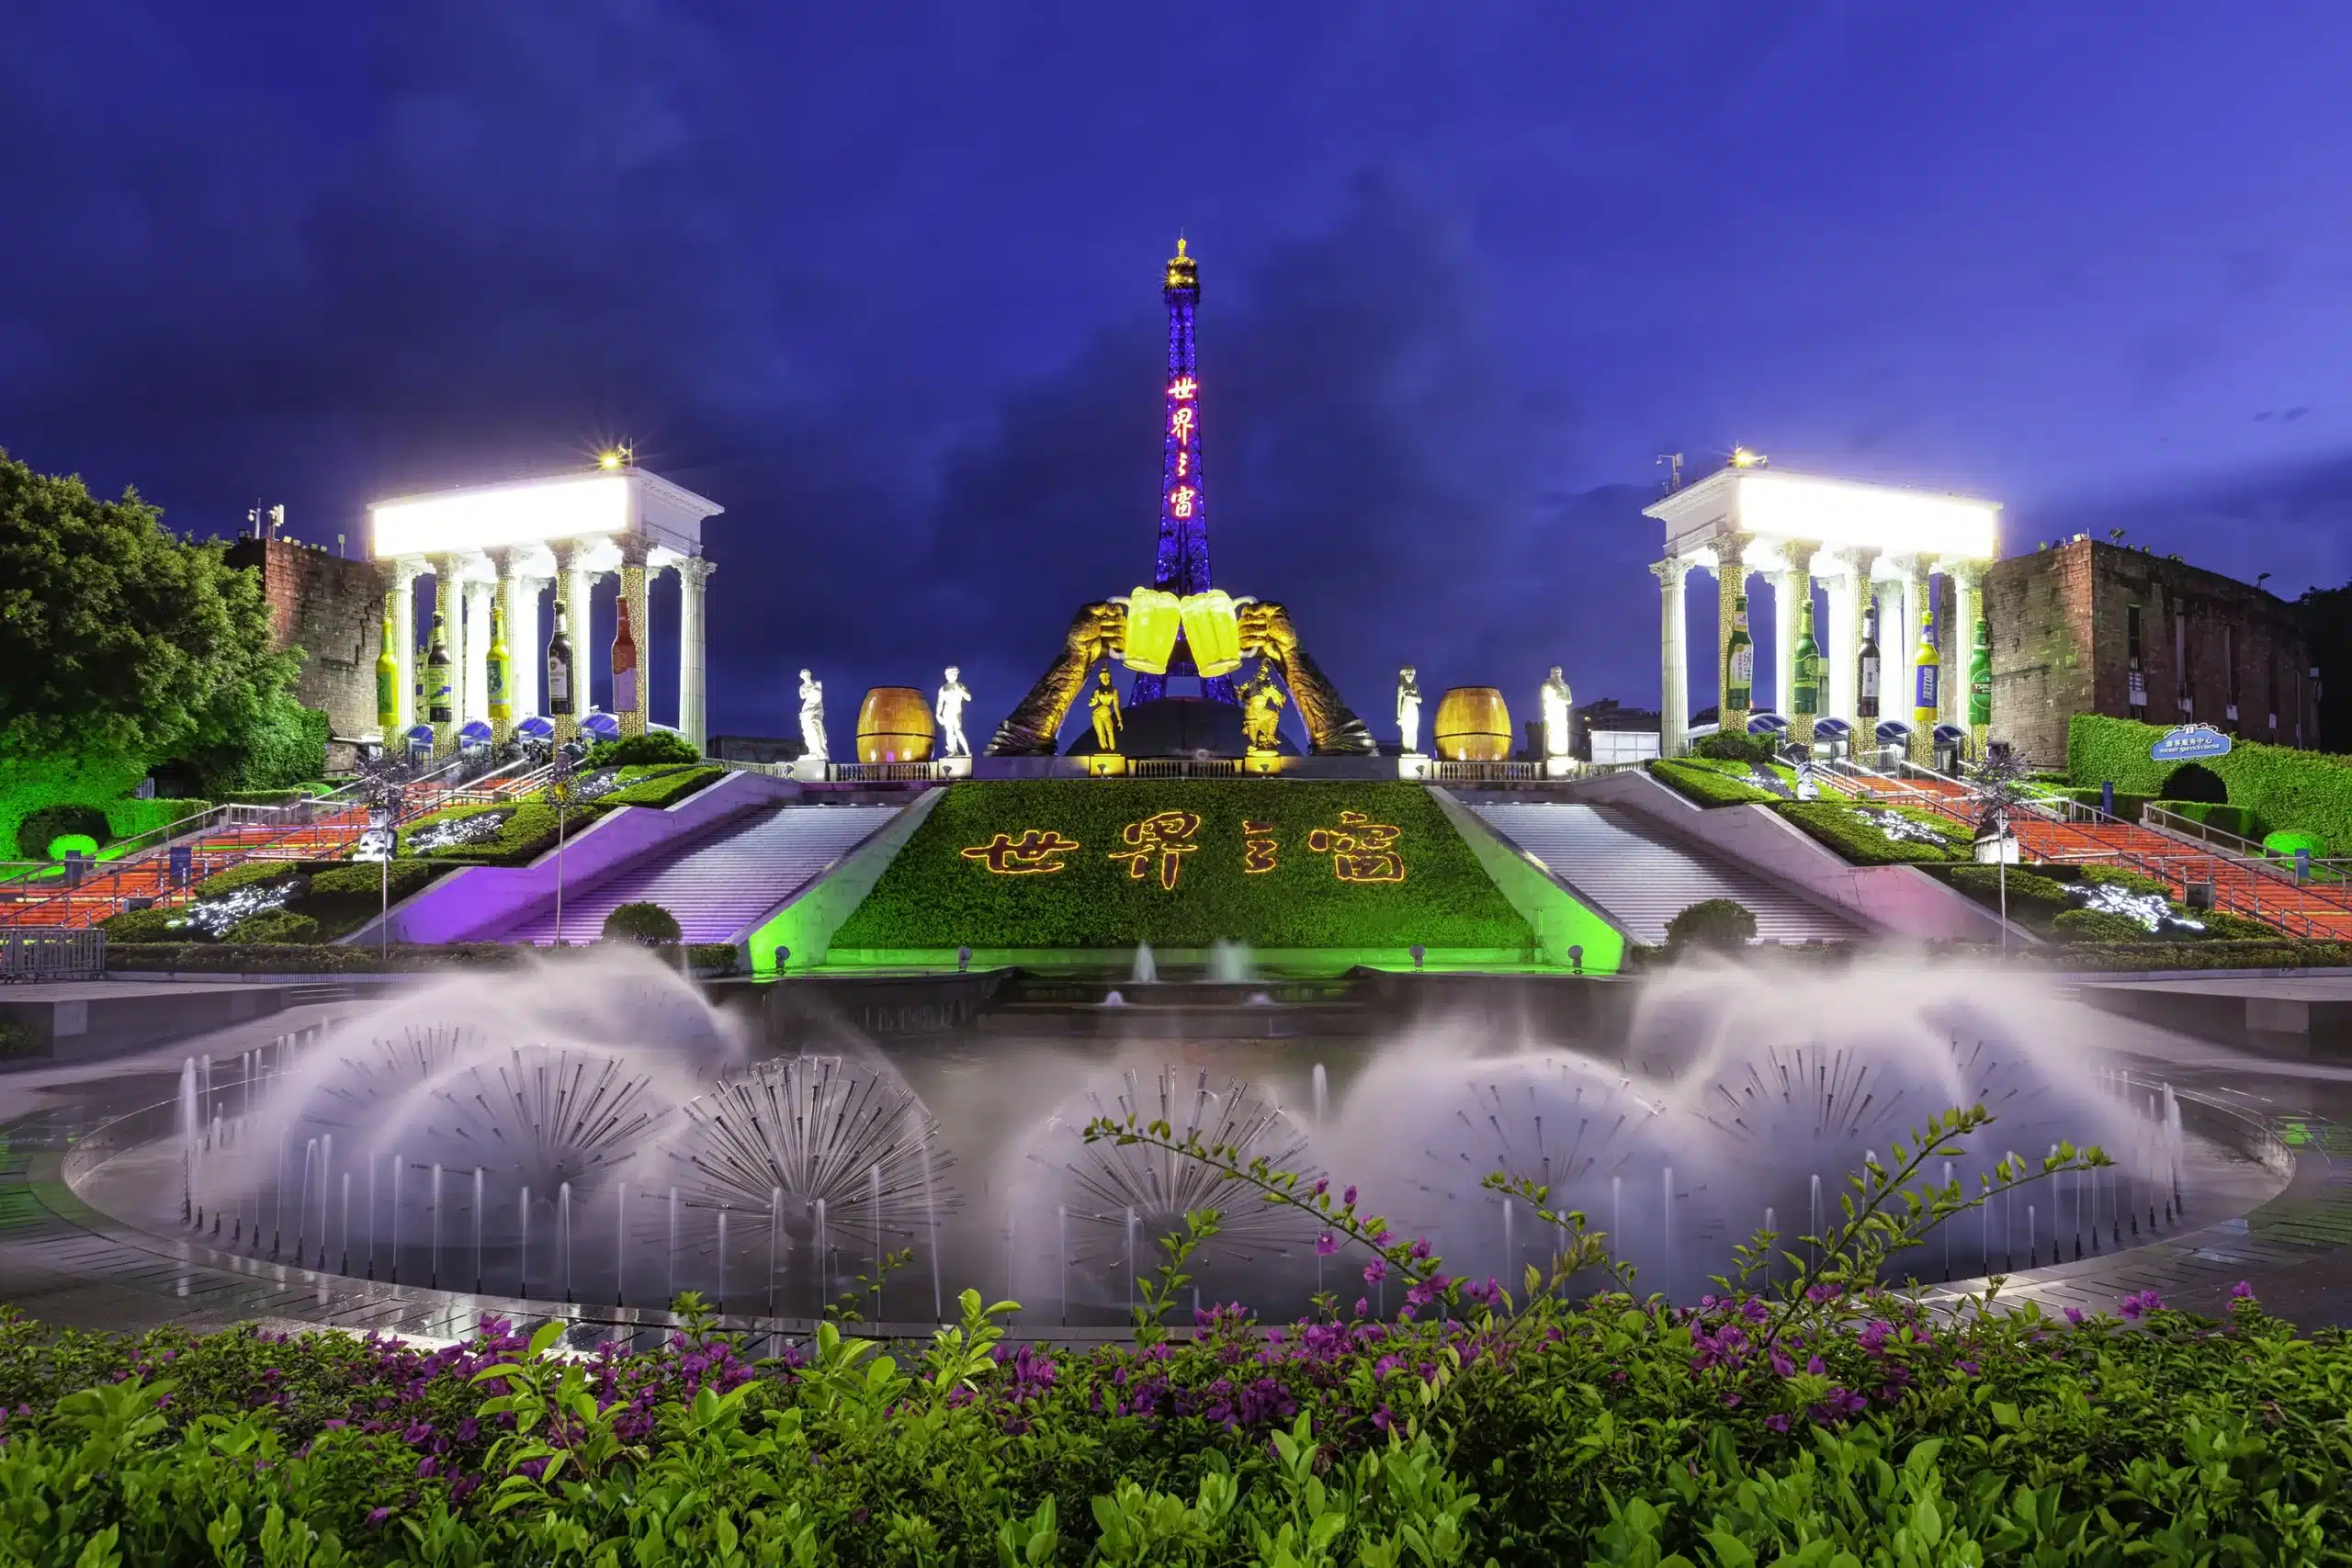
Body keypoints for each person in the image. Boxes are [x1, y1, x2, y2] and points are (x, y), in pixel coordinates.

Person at [935, 666, 971, 758]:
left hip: (957, 711)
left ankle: (967, 752)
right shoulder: (943, 689)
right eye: (953, 673)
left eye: (956, 674)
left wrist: (960, 690)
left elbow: (968, 698)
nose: (955, 675)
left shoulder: (960, 686)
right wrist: (938, 714)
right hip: (947, 711)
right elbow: (940, 703)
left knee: (958, 731)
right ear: (947, 675)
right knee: (949, 732)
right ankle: (952, 751)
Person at [1539, 665, 1574, 759]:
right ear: (1552, 674)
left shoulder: (1566, 687)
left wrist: (1560, 700)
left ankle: (1563, 754)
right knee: (1551, 733)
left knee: (1562, 734)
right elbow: (1544, 700)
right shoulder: (1546, 686)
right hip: (1552, 712)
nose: (1558, 674)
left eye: (1559, 673)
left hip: (1561, 713)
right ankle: (1549, 754)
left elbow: (1569, 700)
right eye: (1556, 672)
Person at [1088, 669, 1122, 753]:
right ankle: (1104, 749)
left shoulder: (1114, 691)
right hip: (1096, 713)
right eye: (1103, 678)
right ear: (1100, 679)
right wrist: (1092, 702)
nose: (1105, 680)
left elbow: (1116, 707)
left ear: (1110, 678)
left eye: (1107, 677)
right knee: (1100, 733)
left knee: (1110, 731)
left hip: (1106, 713)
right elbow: (1092, 703)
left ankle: (1112, 749)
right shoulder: (1097, 691)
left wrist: (1120, 720)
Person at [797, 669, 828, 761]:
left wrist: (810, 691)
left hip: (817, 708)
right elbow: (802, 697)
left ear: (809, 674)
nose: (806, 676)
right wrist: (810, 691)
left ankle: (819, 751)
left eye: (807, 674)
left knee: (815, 726)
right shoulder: (802, 687)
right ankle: (812, 751)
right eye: (804, 675)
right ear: (802, 677)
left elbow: (819, 696)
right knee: (807, 730)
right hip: (806, 709)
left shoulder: (817, 683)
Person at [1396, 666, 1422, 754]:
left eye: (1412, 674)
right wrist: (1399, 716)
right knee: (1406, 730)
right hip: (1405, 708)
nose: (1410, 676)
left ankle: (1413, 748)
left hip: (1413, 708)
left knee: (1414, 729)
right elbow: (1399, 702)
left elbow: (1420, 700)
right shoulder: (1401, 687)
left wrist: (1410, 697)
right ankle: (1406, 749)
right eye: (1408, 674)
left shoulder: (1416, 687)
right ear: (1404, 675)